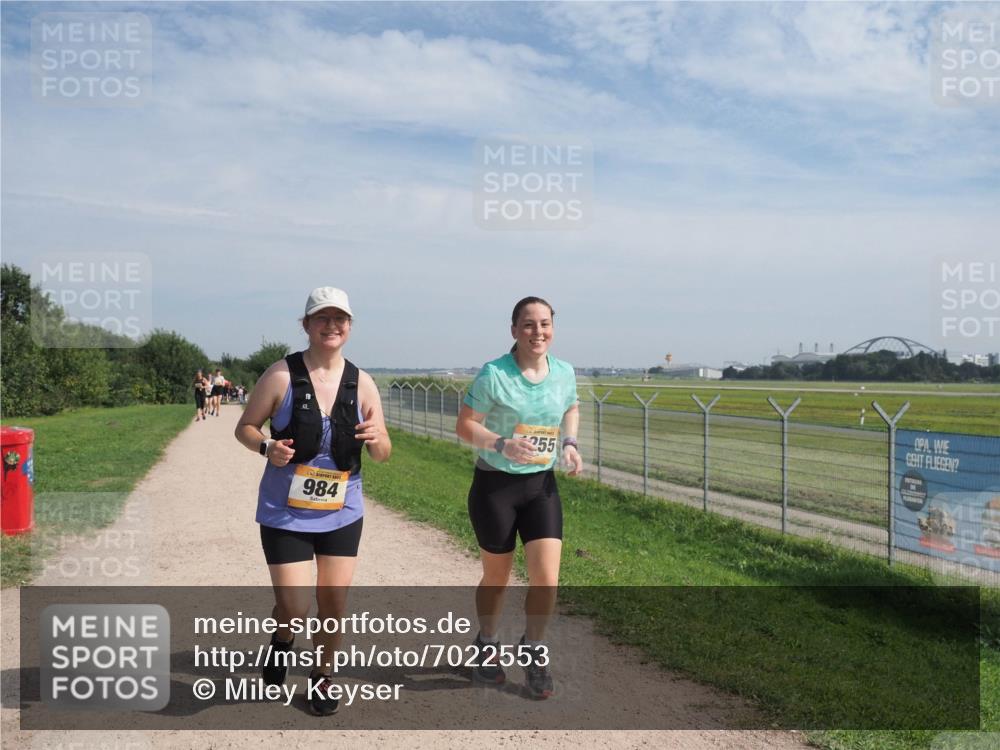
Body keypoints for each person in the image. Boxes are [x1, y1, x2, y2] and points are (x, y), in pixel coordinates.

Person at [234, 286, 391, 716]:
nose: (331, 325)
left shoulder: (363, 383)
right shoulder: (281, 376)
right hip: (285, 511)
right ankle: (283, 639)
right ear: (306, 325)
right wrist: (267, 448)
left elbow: (382, 452)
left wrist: (378, 439)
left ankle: (322, 677)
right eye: (322, 318)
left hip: (342, 509)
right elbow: (245, 427)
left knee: (334, 600)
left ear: (350, 327)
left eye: (339, 318)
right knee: (295, 606)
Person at [455, 296, 582, 700]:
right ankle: (488, 643)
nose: (538, 332)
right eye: (528, 325)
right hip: (496, 486)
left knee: (547, 578)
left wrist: (571, 443)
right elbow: (463, 426)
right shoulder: (495, 374)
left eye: (545, 324)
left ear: (553, 328)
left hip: (540, 486)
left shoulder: (564, 372)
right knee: (498, 577)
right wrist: (501, 443)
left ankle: (533, 649)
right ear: (514, 330)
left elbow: (571, 407)